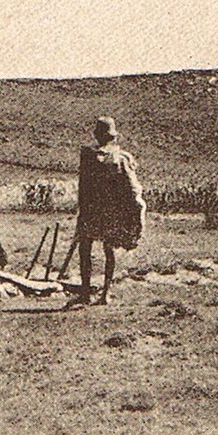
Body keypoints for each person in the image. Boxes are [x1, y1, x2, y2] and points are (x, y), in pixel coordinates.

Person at [74, 117, 145, 306]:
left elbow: (83, 187)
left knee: (86, 248)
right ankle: (105, 292)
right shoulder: (121, 158)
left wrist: (82, 210)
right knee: (108, 249)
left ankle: (87, 291)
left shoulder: (89, 156)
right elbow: (132, 188)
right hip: (109, 211)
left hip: (92, 209)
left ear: (97, 135)